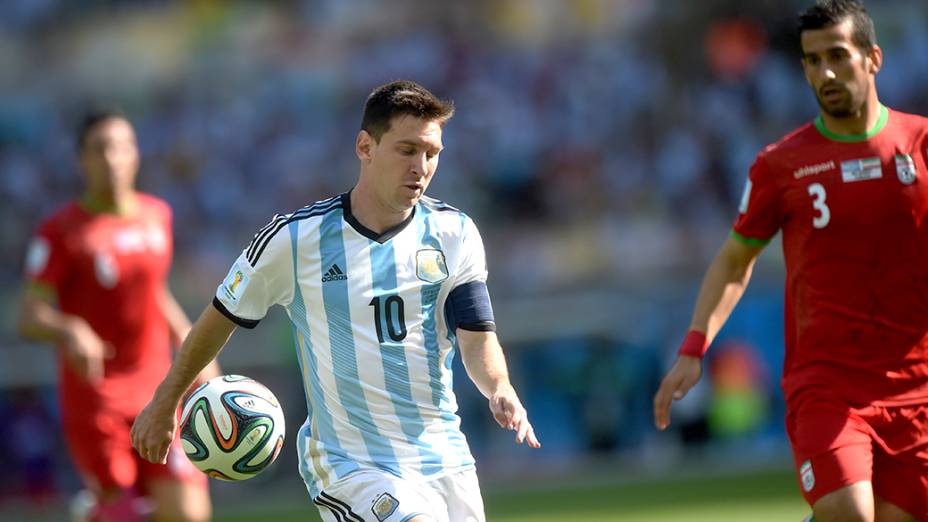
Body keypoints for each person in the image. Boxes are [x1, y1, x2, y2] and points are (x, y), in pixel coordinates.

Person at [131, 80, 541, 522]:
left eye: (432, 153)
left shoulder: (454, 233)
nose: (420, 167)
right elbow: (219, 318)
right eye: (406, 150)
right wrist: (166, 400)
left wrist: (499, 387)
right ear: (366, 146)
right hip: (351, 464)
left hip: (444, 457)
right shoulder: (296, 239)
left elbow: (477, 336)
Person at [653, 1, 928, 520]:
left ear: (873, 58)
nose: (824, 71)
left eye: (838, 56)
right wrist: (694, 347)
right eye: (812, 60)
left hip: (915, 384)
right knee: (849, 511)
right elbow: (736, 260)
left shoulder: (921, 143)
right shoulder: (782, 165)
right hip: (827, 384)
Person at [17, 111, 216, 522]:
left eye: (122, 147)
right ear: (82, 161)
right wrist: (69, 329)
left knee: (189, 512)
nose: (112, 159)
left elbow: (152, 291)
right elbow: (28, 313)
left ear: (136, 155)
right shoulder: (61, 231)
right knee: (125, 513)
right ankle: (102, 511)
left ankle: (95, 513)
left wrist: (191, 343)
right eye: (100, 149)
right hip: (97, 398)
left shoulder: (157, 215)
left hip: (157, 387)